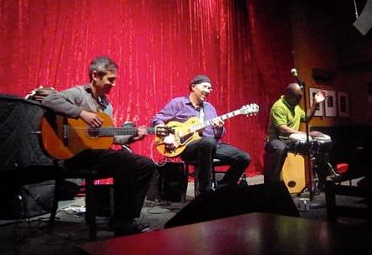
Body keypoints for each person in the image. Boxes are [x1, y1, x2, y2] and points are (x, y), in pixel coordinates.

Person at [42, 56, 155, 236]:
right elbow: (49, 101)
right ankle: (121, 223)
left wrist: (134, 137)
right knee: (126, 160)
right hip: (74, 155)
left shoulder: (106, 104)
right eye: (110, 80)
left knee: (145, 164)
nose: (114, 84)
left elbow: (110, 138)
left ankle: (125, 217)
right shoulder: (79, 93)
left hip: (98, 155)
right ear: (95, 76)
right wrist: (81, 113)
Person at [151, 75, 251, 194]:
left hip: (212, 144)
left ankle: (222, 190)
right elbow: (157, 119)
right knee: (208, 142)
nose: (208, 91)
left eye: (210, 88)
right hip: (187, 147)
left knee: (244, 158)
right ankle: (206, 191)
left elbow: (217, 135)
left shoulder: (209, 108)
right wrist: (167, 135)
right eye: (205, 87)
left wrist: (218, 128)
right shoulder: (178, 103)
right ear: (193, 87)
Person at [264, 83, 330, 185]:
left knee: (319, 143)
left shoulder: (295, 106)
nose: (299, 101)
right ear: (288, 94)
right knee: (281, 148)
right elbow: (283, 129)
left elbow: (306, 118)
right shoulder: (279, 106)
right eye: (297, 98)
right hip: (276, 139)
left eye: (300, 98)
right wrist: (305, 134)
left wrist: (315, 103)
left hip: (291, 140)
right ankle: (274, 183)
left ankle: (322, 182)